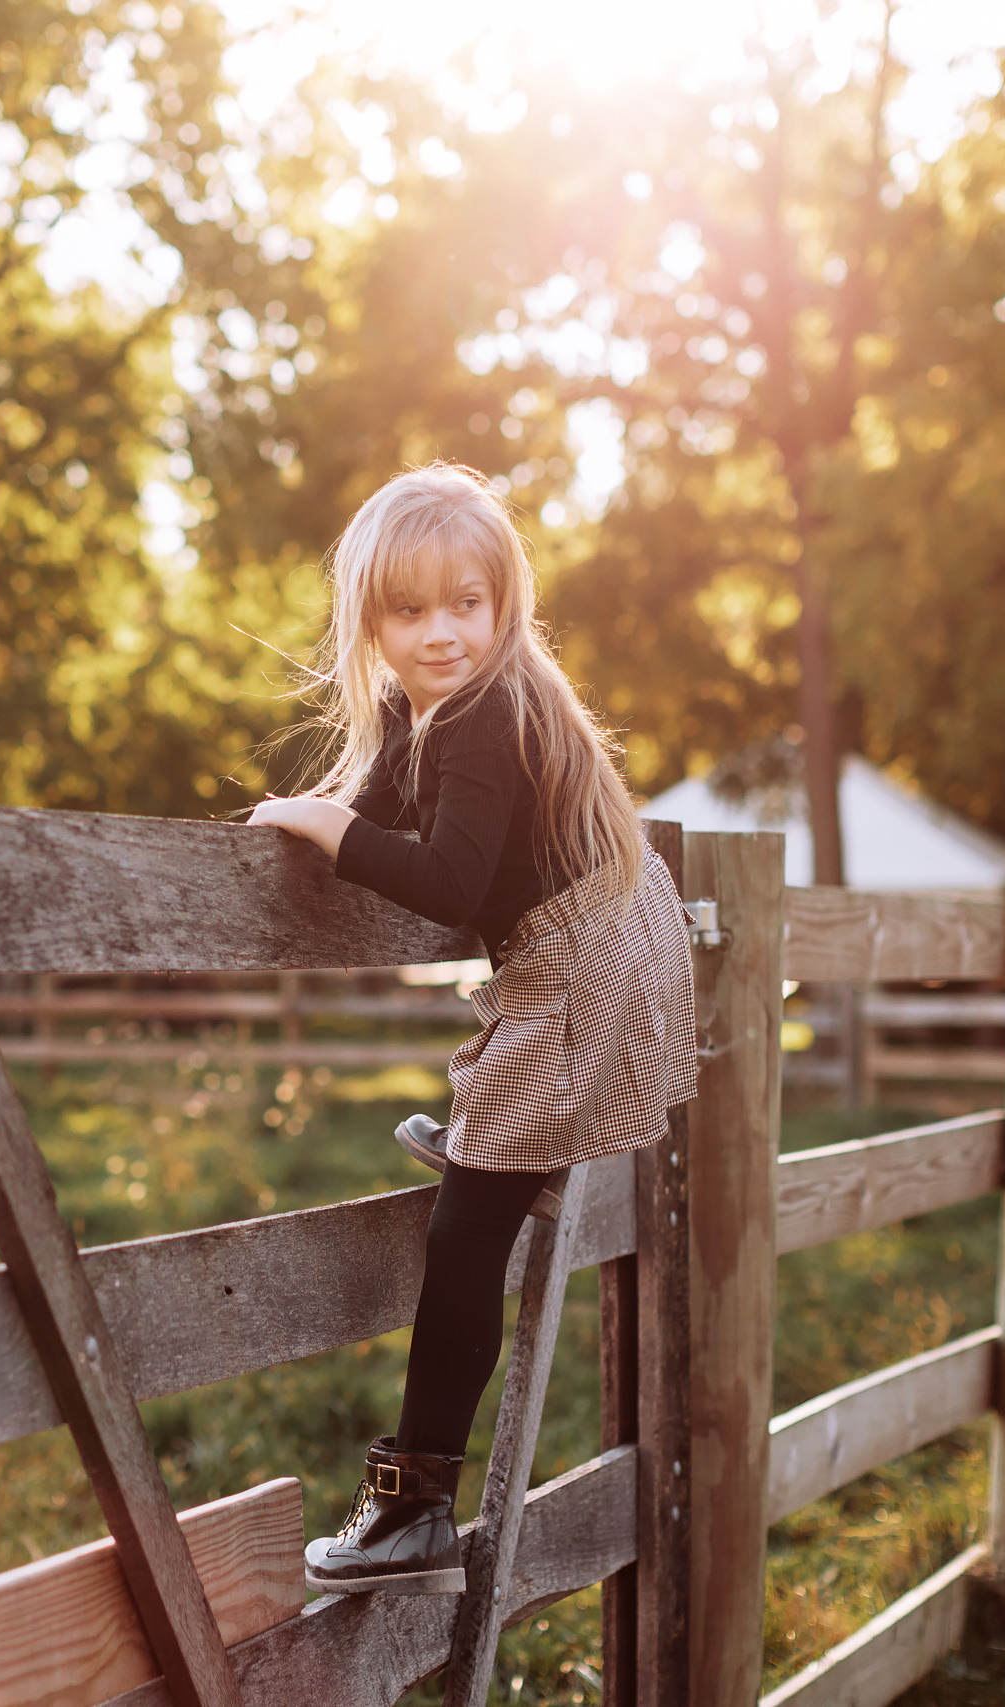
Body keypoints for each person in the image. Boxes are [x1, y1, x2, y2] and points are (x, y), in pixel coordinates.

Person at [247, 462, 698, 1595]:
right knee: (477, 1206)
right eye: (410, 610)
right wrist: (327, 816)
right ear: (371, 619)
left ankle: (411, 1513)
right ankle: (498, 1149)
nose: (440, 632)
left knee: (462, 1242)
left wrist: (322, 828)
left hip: (584, 963)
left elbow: (448, 879)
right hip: (607, 937)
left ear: (505, 603)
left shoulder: (491, 710)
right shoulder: (437, 714)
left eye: (466, 603)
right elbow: (389, 810)